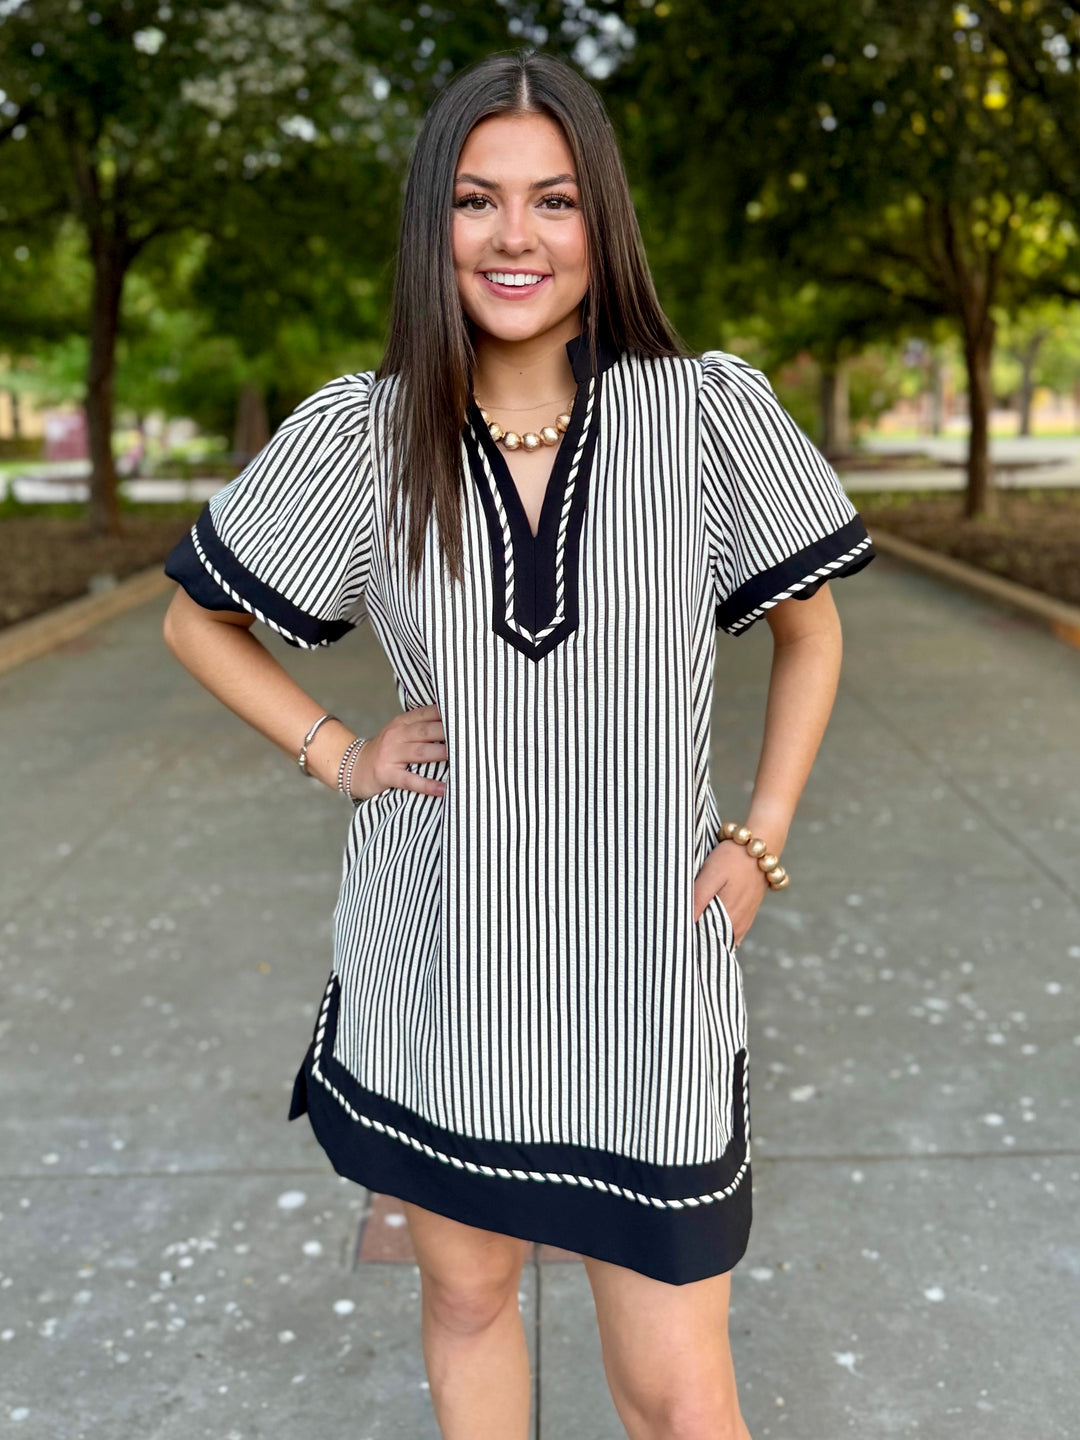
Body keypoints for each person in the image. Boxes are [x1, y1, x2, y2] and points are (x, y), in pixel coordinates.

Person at [162, 45, 875, 1440]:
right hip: (447, 966)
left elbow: (814, 631)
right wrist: (337, 748)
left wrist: (761, 835)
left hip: (648, 981)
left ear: (602, 225)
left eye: (554, 201)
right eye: (477, 200)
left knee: (679, 1388)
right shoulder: (363, 436)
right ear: (436, 225)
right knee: (472, 1299)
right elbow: (199, 623)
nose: (515, 237)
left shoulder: (707, 417)